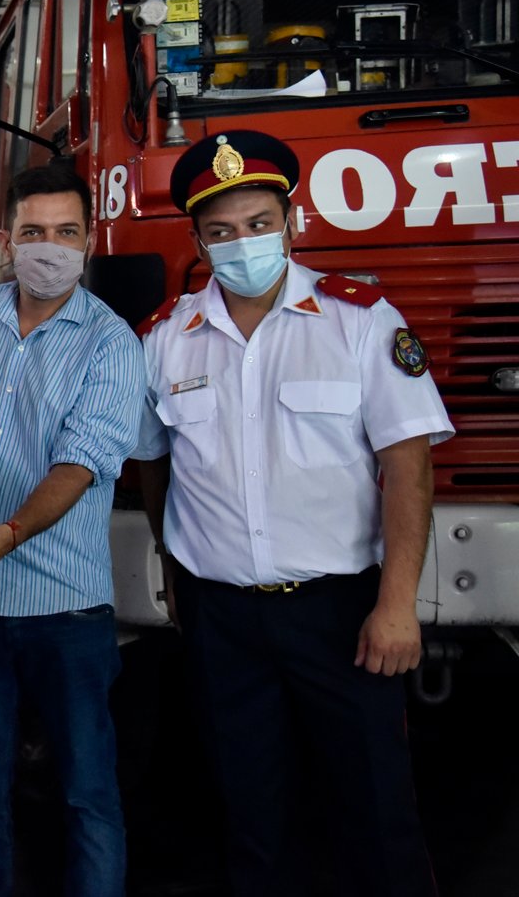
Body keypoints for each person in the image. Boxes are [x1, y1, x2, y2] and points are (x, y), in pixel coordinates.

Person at [131, 130, 449, 896]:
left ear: (292, 223)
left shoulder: (361, 320)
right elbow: (154, 464)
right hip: (221, 618)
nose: (242, 243)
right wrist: (173, 568)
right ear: (197, 242)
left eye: (259, 223)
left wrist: (398, 605)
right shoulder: (166, 337)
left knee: (376, 809)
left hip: (341, 614)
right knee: (251, 816)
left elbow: (408, 468)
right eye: (221, 231)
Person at [0, 162, 144, 897]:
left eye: (67, 232)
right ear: (6, 240)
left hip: (63, 608)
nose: (50, 247)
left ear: (89, 240)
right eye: (34, 231)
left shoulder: (111, 343)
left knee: (87, 794)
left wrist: (7, 534)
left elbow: (80, 466)